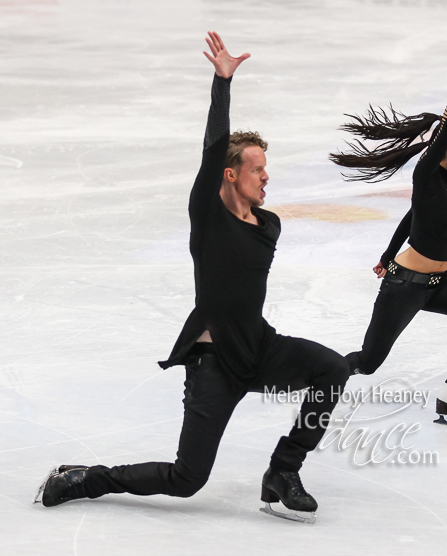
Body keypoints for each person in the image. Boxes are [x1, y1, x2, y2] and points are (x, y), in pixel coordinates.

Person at [36, 32, 349, 522]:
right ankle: (83, 478)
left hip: (258, 348)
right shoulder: (208, 216)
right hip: (214, 363)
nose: (266, 176)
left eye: (267, 168)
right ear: (230, 174)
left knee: (332, 369)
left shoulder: (268, 225)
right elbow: (212, 150)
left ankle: (283, 471)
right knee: (188, 480)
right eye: (257, 169)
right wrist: (222, 83)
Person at [330, 34, 447, 428]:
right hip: (404, 286)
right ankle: (316, 374)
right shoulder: (428, 174)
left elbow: (412, 218)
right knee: (369, 362)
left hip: (438, 283)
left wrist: (384, 251)